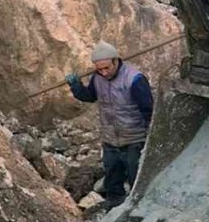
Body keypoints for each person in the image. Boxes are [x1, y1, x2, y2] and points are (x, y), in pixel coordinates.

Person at [66, 41, 154, 209]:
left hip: (134, 139)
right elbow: (89, 96)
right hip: (110, 139)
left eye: (107, 68)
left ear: (116, 61)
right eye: (99, 69)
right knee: (112, 176)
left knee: (137, 177)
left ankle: (138, 208)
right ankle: (114, 204)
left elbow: (149, 110)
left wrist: (150, 136)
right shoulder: (97, 79)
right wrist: (76, 86)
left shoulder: (134, 79)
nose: (104, 73)